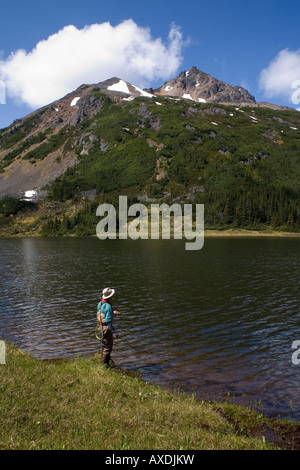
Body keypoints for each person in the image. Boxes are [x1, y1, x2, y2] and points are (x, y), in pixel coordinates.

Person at [97, 287, 120, 367]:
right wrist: (114, 332)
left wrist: (112, 312)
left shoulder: (100, 303)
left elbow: (103, 314)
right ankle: (105, 365)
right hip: (106, 328)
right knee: (108, 347)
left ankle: (103, 360)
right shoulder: (108, 306)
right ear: (110, 296)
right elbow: (108, 322)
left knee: (104, 345)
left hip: (100, 327)